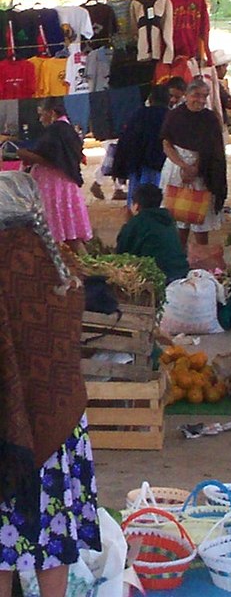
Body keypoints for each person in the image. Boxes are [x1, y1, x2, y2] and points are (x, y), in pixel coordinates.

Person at [0, 172, 101, 597]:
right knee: (52, 536)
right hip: (59, 425)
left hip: (7, 430)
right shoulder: (56, 260)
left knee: (2, 538)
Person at [17, 97, 92, 254]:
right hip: (65, 186)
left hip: (54, 187)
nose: (40, 119)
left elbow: (53, 160)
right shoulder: (67, 129)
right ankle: (88, 267)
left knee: (54, 234)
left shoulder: (57, 130)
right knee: (72, 236)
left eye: (41, 114)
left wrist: (26, 155)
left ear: (51, 113)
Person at [160, 78, 227, 248]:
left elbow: (213, 146)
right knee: (178, 220)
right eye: (196, 95)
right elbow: (166, 143)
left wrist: (197, 167)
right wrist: (183, 166)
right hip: (177, 169)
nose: (201, 100)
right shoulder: (174, 115)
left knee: (200, 221)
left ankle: (201, 260)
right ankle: (180, 257)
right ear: (187, 95)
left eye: (205, 96)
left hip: (202, 171)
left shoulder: (210, 118)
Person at [111, 84, 170, 212]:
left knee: (134, 201)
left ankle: (132, 226)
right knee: (153, 202)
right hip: (158, 165)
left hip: (137, 165)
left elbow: (126, 140)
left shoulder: (139, 114)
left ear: (151, 99)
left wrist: (122, 166)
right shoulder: (170, 116)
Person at [116, 183, 189, 284]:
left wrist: (127, 223)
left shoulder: (137, 222)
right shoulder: (168, 219)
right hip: (181, 272)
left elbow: (121, 253)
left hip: (158, 278)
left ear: (136, 206)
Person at [212, 49, 231, 127]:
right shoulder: (217, 85)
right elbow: (230, 104)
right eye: (225, 66)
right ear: (221, 67)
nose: (226, 70)